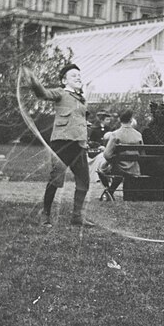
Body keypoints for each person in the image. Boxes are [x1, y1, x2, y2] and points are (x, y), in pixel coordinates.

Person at [20, 63, 96, 229]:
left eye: (79, 75)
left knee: (84, 181)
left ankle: (77, 217)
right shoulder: (60, 92)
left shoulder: (81, 98)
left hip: (79, 144)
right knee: (56, 179)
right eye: (73, 75)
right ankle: (45, 214)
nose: (78, 77)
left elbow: (79, 117)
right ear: (64, 80)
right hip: (62, 143)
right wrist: (34, 81)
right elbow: (43, 93)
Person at [98, 108, 144, 197]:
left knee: (100, 169)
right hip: (134, 168)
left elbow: (107, 155)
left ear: (120, 120)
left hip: (119, 168)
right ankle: (110, 192)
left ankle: (109, 191)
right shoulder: (138, 134)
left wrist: (114, 160)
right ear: (131, 120)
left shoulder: (115, 134)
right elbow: (142, 153)